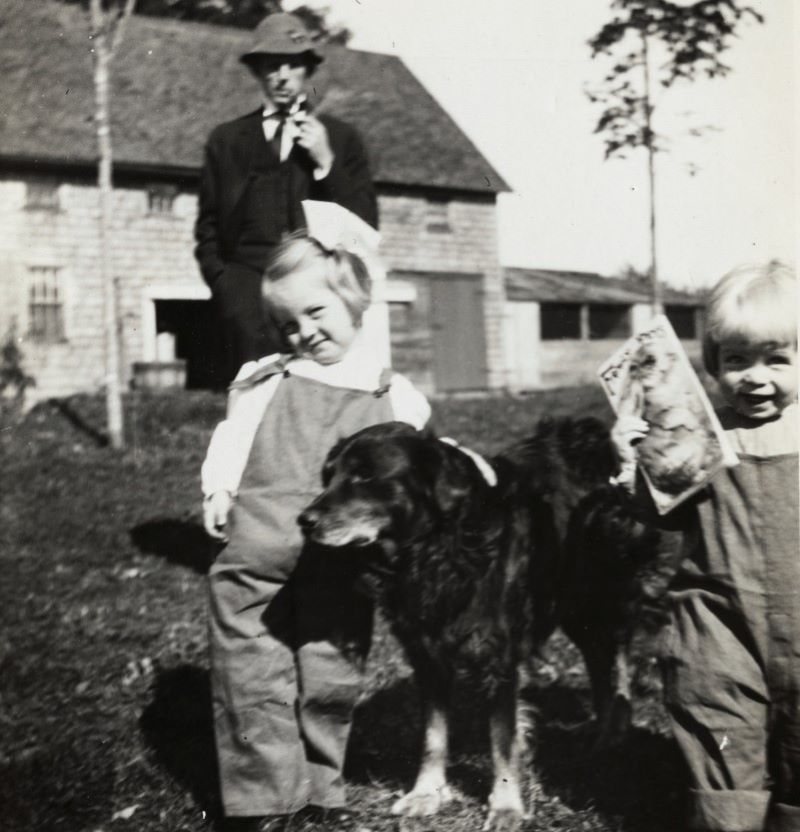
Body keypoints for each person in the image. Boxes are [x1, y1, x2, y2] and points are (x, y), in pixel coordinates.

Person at [201, 233, 430, 831]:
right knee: (249, 664)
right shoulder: (264, 379)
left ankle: (321, 784)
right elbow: (233, 436)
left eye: (316, 312)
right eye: (287, 322)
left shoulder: (393, 394)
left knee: (331, 668)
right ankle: (262, 796)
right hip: (259, 546)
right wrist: (219, 487)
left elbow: (421, 464)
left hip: (341, 557)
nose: (302, 331)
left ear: (356, 302)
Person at [612, 261, 799, 832]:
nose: (754, 378)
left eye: (777, 360)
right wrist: (635, 463)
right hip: (718, 624)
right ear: (712, 365)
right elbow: (654, 512)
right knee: (720, 735)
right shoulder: (699, 431)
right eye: (736, 361)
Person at [195, 12, 378, 382]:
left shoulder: (341, 139)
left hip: (315, 294)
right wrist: (226, 285)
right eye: (270, 65)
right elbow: (209, 226)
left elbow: (364, 228)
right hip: (248, 292)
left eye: (292, 65)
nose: (281, 75)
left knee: (321, 391)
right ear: (257, 72)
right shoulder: (227, 140)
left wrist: (326, 164)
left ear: (307, 70)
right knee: (254, 393)